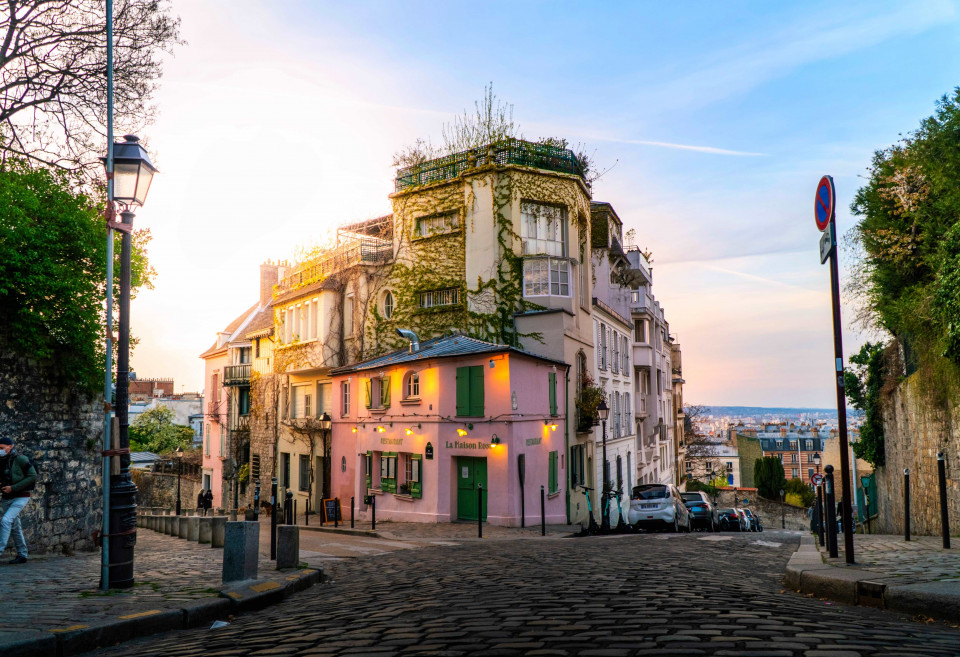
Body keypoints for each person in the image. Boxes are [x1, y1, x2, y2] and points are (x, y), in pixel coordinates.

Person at [0, 437, 37, 564]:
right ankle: (22, 554)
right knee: (15, 526)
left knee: (5, 521)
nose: (0, 451)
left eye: (1, 448)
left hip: (21, 496)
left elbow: (33, 476)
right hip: (6, 498)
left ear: (10, 447)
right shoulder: (2, 460)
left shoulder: (20, 459)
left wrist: (13, 488)